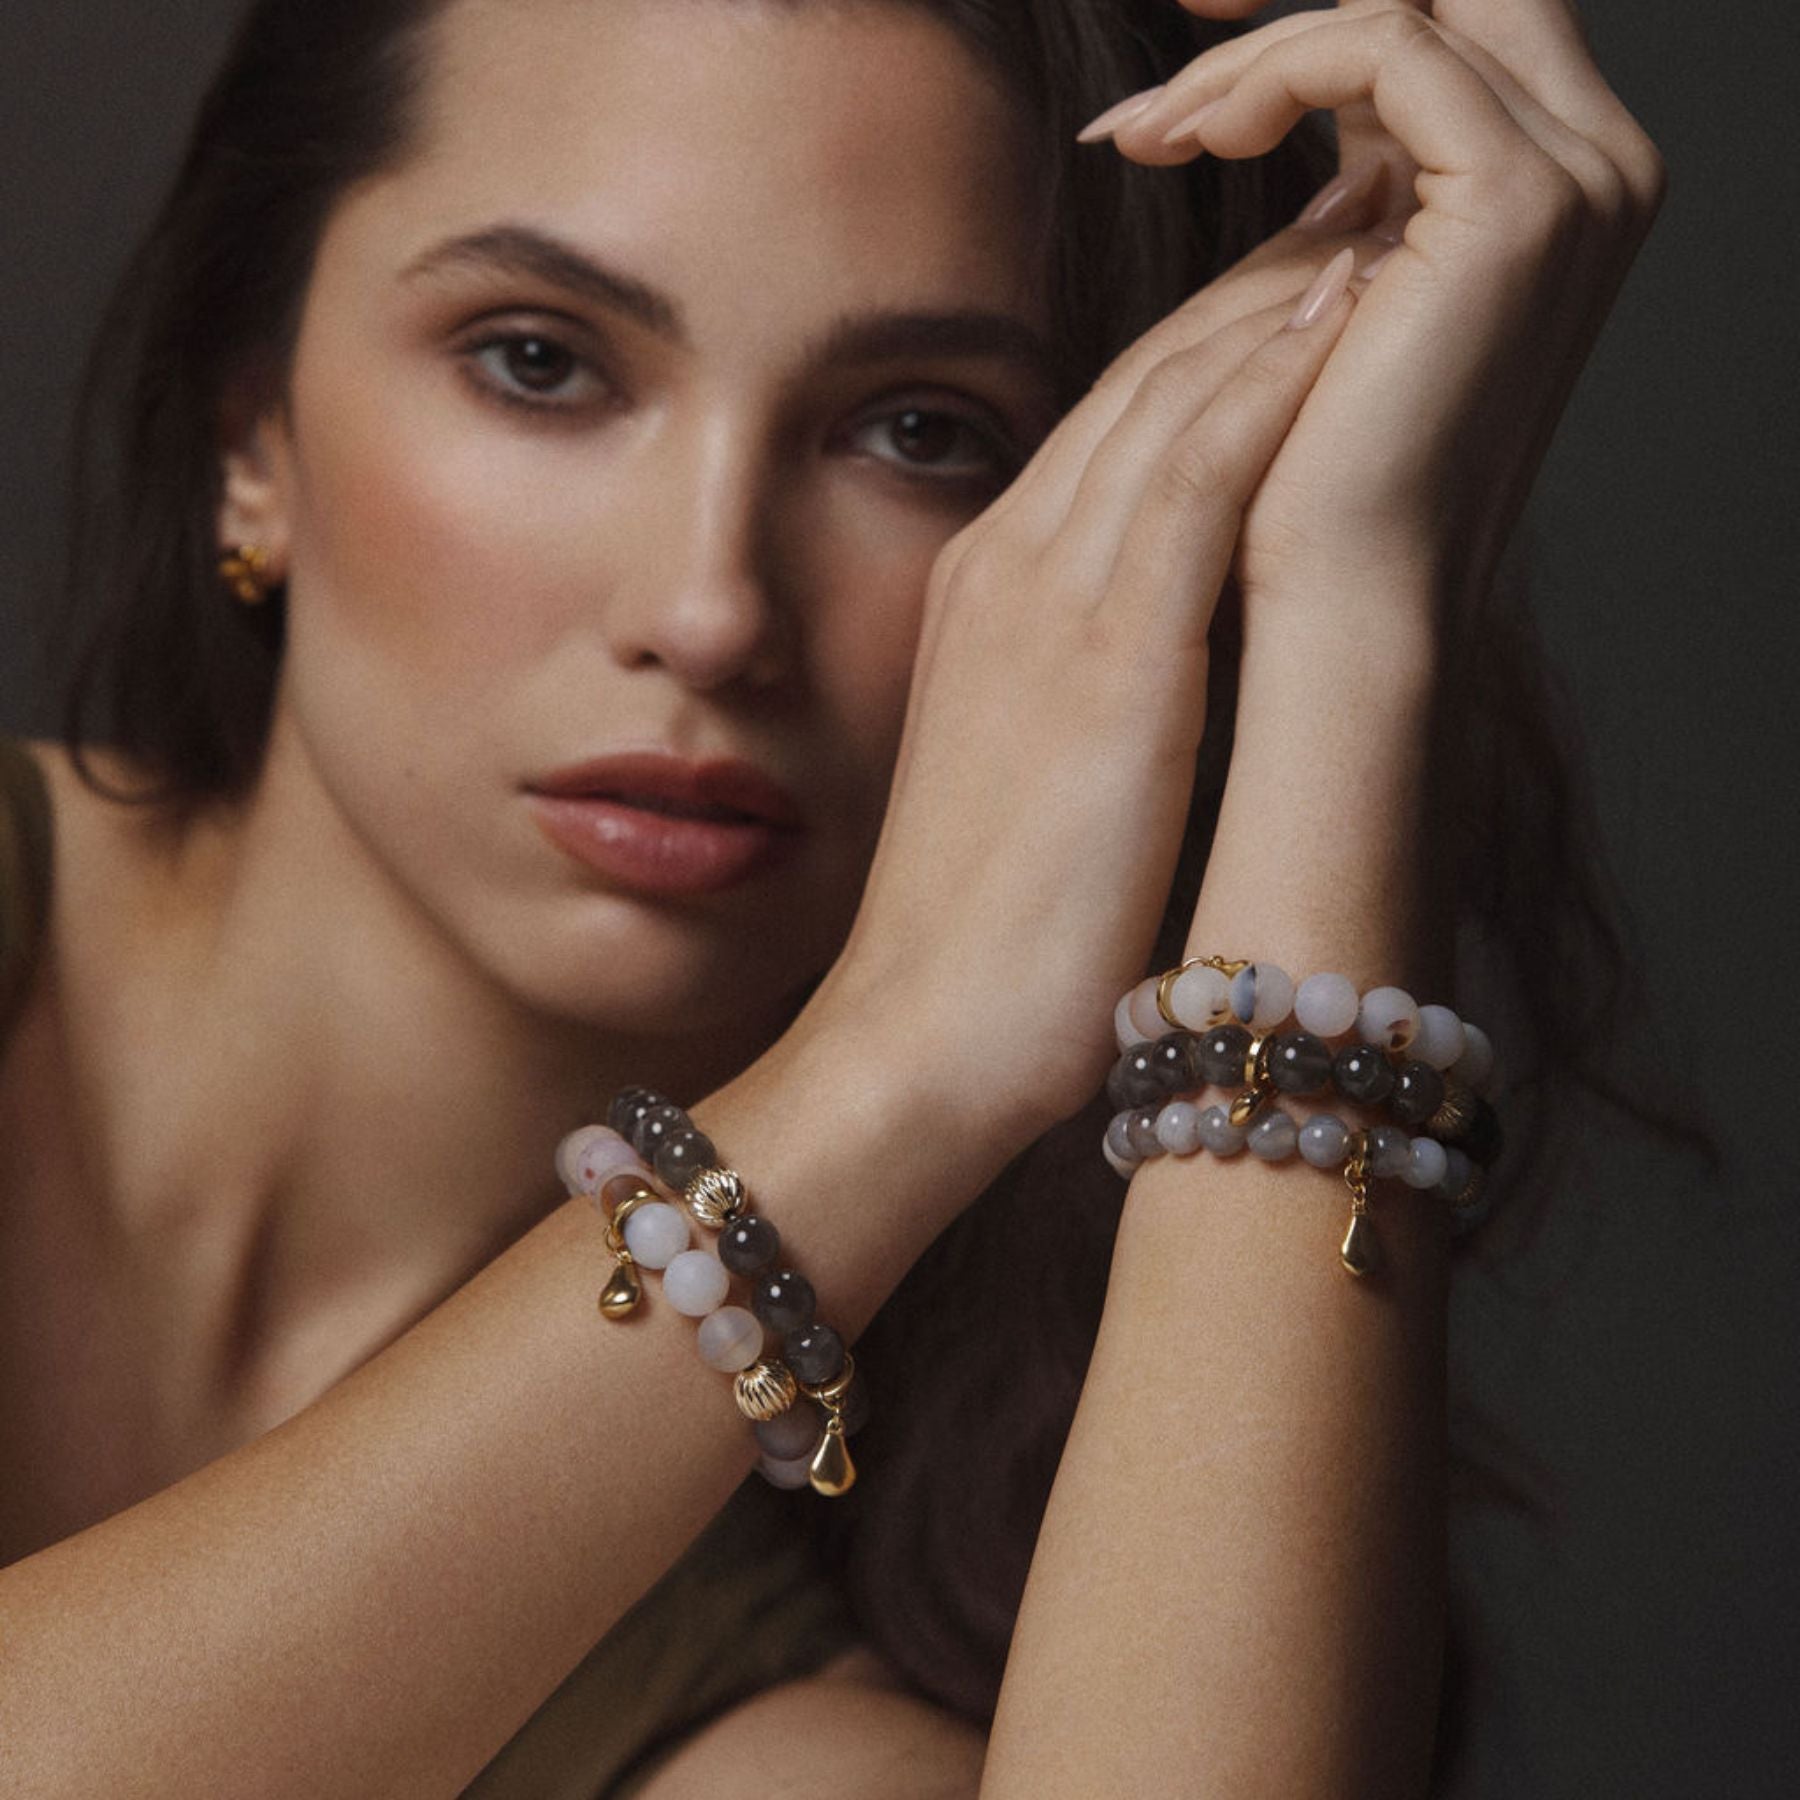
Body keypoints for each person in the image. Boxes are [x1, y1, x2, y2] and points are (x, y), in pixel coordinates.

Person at [0, 0, 1664, 1793]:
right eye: (541, 361)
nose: (712, 607)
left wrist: (1348, 611)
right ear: (255, 431)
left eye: (922, 430)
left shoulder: (779, 1689)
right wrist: (882, 1074)